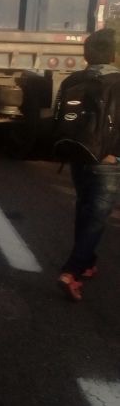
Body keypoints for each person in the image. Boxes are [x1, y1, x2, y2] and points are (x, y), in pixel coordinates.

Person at [55, 28, 120, 301]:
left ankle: (89, 262)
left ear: (86, 55)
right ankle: (72, 271)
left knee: (85, 210)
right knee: (96, 217)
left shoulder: (73, 79)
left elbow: (58, 115)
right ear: (114, 54)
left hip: (77, 154)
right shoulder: (117, 82)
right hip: (108, 160)